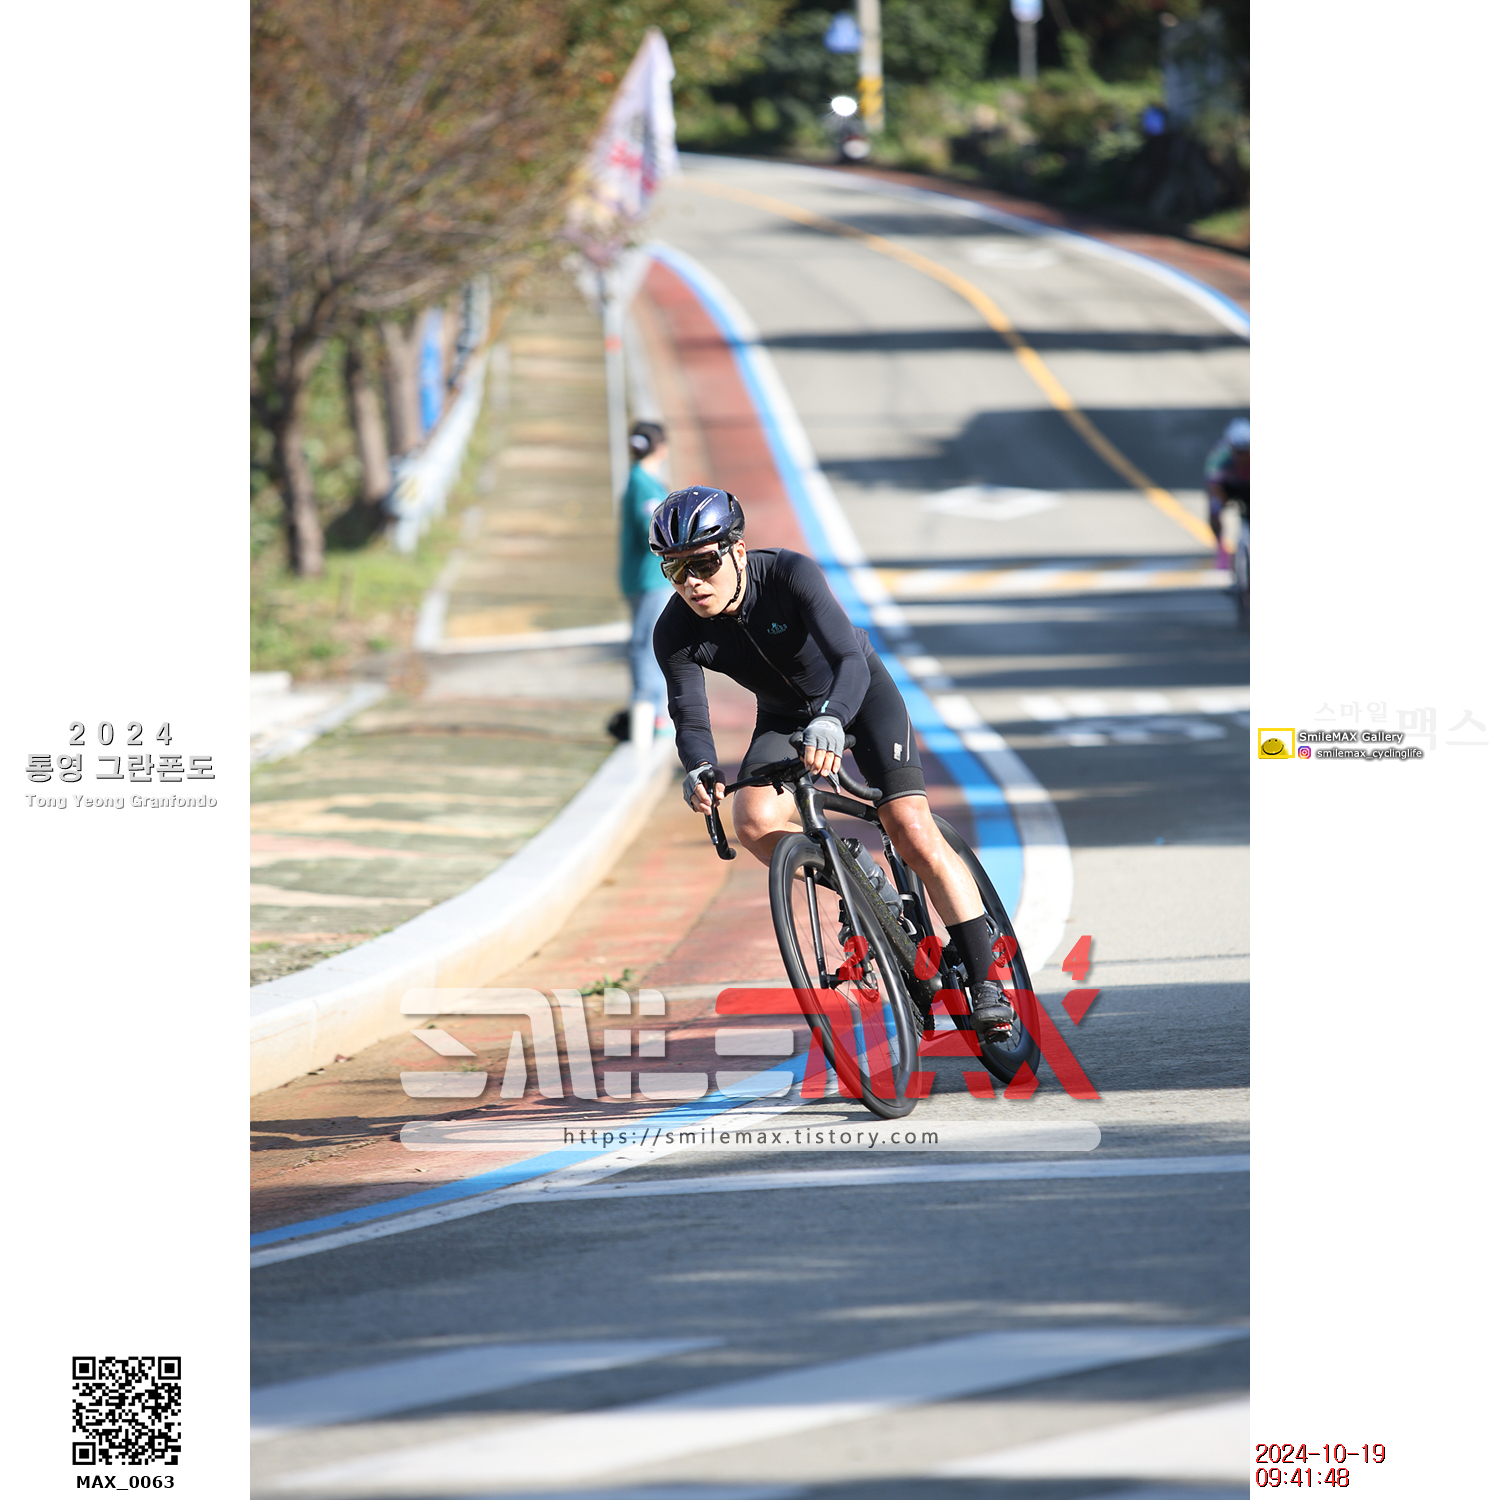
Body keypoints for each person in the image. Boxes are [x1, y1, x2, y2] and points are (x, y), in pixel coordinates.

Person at [650, 484, 1016, 1043]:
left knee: (911, 829)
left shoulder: (789, 574)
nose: (692, 583)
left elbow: (849, 658)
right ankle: (857, 878)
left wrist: (833, 718)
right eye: (675, 571)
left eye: (702, 564)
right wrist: (699, 768)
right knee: (752, 822)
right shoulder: (675, 630)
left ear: (738, 551)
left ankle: (987, 980)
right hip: (784, 716)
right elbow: (689, 714)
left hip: (859, 695)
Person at [611, 420, 674, 741]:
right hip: (650, 579)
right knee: (648, 644)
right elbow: (653, 530)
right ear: (660, 448)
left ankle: (652, 711)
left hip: (646, 578)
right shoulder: (643, 484)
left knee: (649, 642)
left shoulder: (641, 480)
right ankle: (650, 713)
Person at [1205, 417, 1249, 566]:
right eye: (1238, 451)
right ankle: (1220, 548)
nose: (1242, 456)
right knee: (1214, 507)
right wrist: (1220, 503)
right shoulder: (1219, 454)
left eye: (1246, 451)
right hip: (1229, 486)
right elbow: (1213, 484)